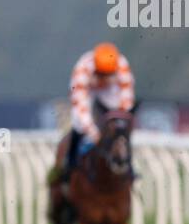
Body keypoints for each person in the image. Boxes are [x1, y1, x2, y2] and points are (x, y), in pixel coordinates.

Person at [55, 42, 135, 185]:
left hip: (110, 92)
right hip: (89, 90)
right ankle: (69, 166)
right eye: (102, 75)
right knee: (79, 125)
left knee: (119, 127)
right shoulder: (82, 69)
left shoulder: (122, 66)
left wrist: (115, 128)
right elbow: (80, 107)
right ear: (96, 71)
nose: (104, 78)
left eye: (108, 75)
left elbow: (126, 103)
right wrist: (94, 134)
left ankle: (129, 169)